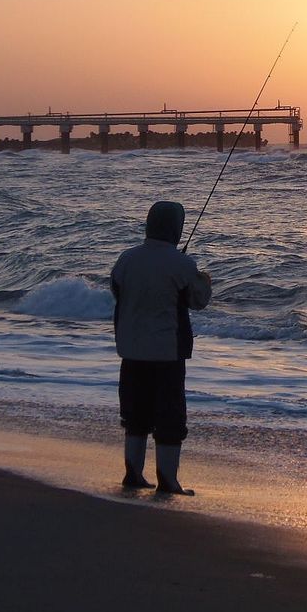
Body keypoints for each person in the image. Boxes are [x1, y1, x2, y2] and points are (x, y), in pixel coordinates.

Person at [110, 201, 212, 494]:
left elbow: (117, 290)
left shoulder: (126, 259)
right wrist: (204, 279)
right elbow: (198, 300)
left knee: (135, 416)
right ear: (176, 229)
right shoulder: (182, 264)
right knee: (169, 418)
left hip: (130, 350)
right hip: (167, 353)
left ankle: (133, 474)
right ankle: (168, 481)